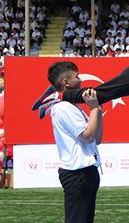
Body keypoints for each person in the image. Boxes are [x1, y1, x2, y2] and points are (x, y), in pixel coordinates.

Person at [47, 61, 103, 223]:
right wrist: (93, 108)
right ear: (66, 82)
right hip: (77, 174)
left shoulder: (73, 107)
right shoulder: (63, 107)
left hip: (87, 171)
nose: (80, 80)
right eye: (76, 77)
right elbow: (88, 135)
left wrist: (97, 110)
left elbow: (97, 139)